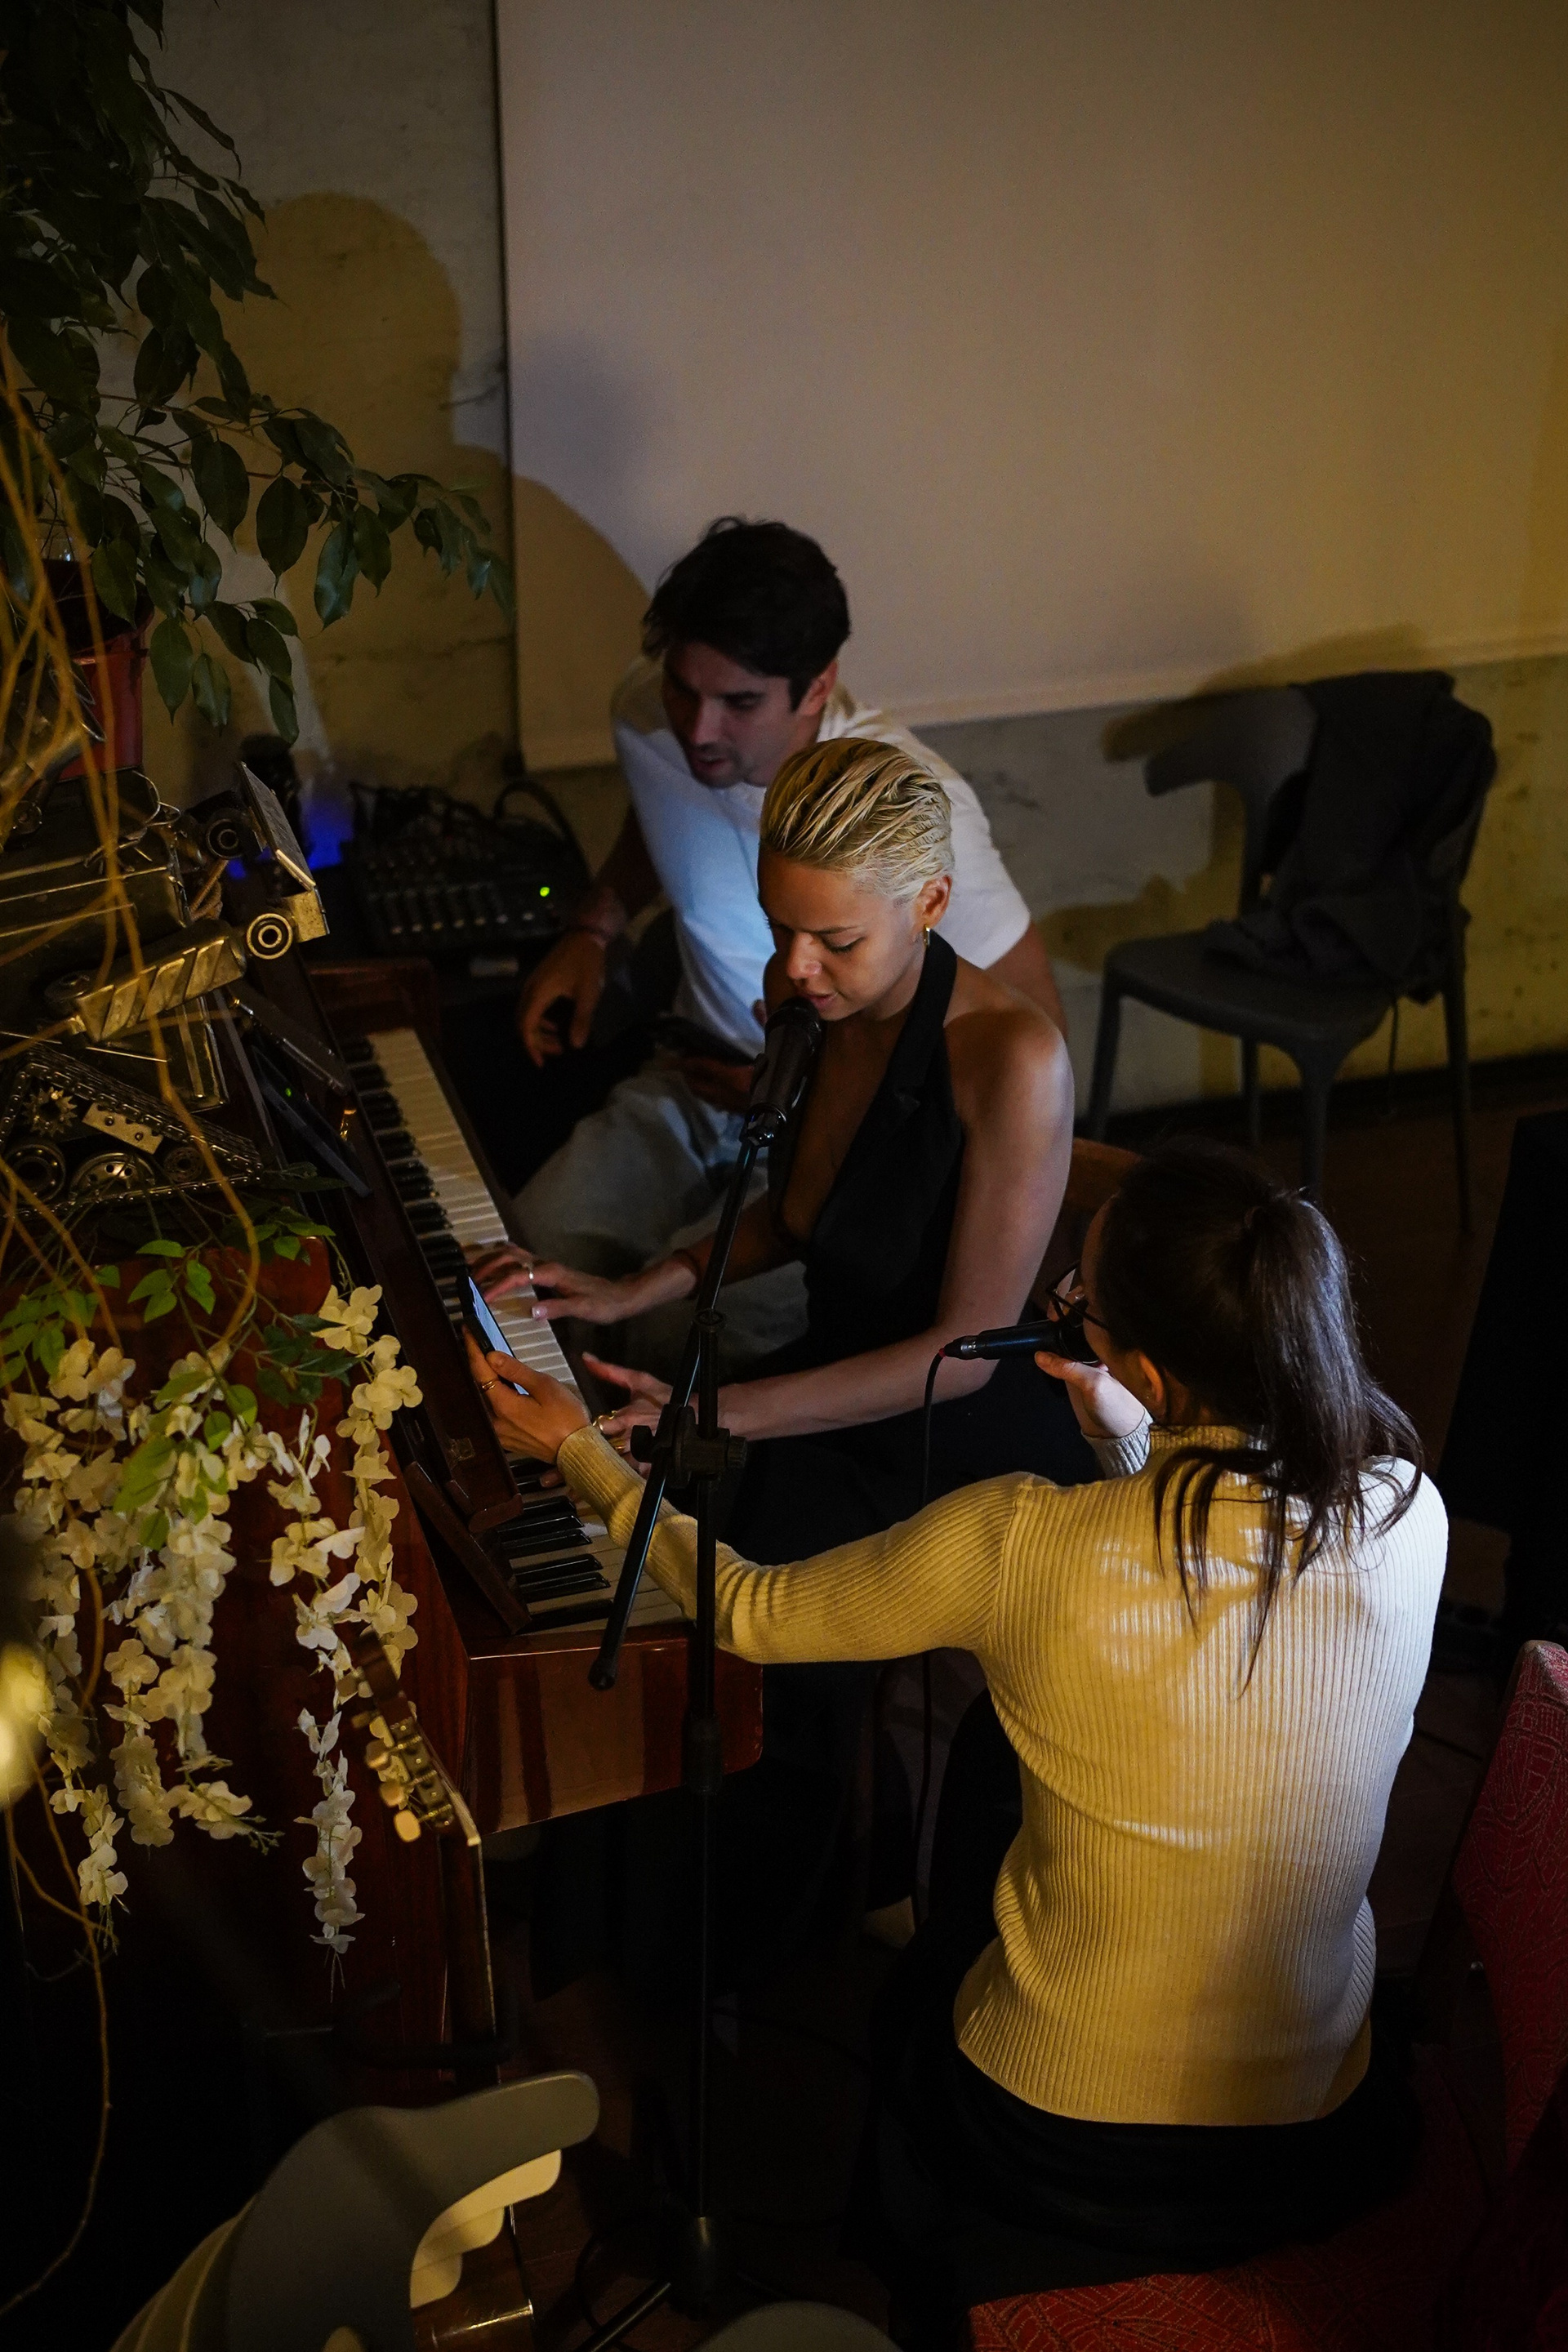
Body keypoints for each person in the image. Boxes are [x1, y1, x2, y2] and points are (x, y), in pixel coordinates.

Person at [466, 1137, 1446, 2341]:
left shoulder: (1022, 1542)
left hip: (1073, 2137)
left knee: (939, 1949)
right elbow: (1217, 1604)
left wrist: (582, 1457)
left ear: (1143, 1362)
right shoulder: (1410, 1507)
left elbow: (753, 1612)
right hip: (1314, 2117)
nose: (1062, 1307)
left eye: (1080, 1300)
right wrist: (1129, 1439)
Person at [483, 733, 1082, 1971]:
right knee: (654, 1559)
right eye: (781, 928)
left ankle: (743, 1943)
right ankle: (630, 1906)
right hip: (833, 1378)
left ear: (930, 903)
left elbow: (964, 1353)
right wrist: (638, 1283)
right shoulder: (816, 1000)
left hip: (960, 1426)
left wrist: (721, 1412)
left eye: (835, 940)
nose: (795, 968)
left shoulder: (1013, 1059)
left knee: (742, 1615)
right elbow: (804, 1214)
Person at [509, 515, 1065, 1371]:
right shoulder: (648, 715)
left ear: (818, 687)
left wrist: (819, 1082)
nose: (698, 730)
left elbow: (1031, 1013)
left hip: (838, 1124)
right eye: (683, 690)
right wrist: (595, 925)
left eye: (739, 705)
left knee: (678, 1339)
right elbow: (661, 816)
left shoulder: (910, 811)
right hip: (698, 1074)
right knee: (537, 1246)